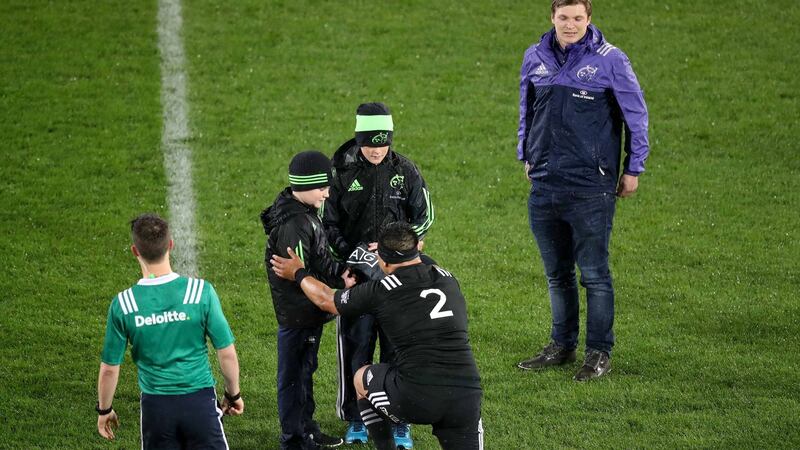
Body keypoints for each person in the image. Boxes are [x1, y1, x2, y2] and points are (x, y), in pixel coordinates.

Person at [516, 0, 650, 380]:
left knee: (594, 274)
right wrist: (525, 153)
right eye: (564, 17)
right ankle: (562, 346)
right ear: (552, 18)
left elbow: (636, 116)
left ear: (589, 19)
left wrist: (633, 168)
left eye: (578, 18)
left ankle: (598, 352)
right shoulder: (535, 56)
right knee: (556, 274)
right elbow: (527, 108)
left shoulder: (611, 60)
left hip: (592, 186)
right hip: (545, 183)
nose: (570, 25)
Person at [271, 222, 483, 450]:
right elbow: (420, 262)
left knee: (361, 378)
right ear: (417, 249)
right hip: (465, 395)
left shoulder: (382, 290)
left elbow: (326, 299)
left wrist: (299, 272)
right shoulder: (448, 278)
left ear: (384, 261)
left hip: (416, 396)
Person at [322, 102, 434, 447]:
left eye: (383, 144)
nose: (376, 151)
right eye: (370, 144)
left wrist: (395, 246)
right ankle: (356, 419)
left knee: (398, 348)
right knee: (355, 346)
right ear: (359, 140)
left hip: (397, 276)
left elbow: (425, 217)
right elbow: (327, 224)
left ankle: (400, 422)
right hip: (356, 277)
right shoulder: (340, 172)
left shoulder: (406, 171)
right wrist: (354, 254)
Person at [96, 213, 244, 448]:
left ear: (135, 251)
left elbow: (109, 370)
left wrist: (104, 409)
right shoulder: (200, 292)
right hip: (200, 404)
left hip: (156, 410)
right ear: (170, 245)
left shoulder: (124, 304)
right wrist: (232, 394)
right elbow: (226, 353)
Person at [260, 150, 352, 449]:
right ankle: (295, 440)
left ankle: (307, 429)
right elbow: (301, 275)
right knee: (294, 378)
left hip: (304, 313)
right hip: (299, 314)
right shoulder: (296, 225)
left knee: (304, 373)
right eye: (322, 187)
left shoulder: (304, 213)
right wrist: (336, 282)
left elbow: (317, 262)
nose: (327, 194)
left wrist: (340, 274)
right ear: (306, 185)